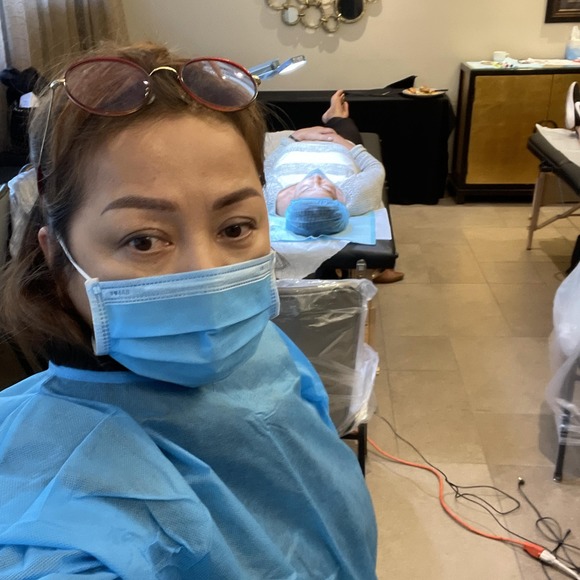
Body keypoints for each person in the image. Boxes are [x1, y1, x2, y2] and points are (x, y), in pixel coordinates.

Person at [0, 43, 377, 578]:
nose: (206, 272)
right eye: (144, 240)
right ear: (56, 255)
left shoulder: (263, 350)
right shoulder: (63, 518)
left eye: (235, 227)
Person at [264, 89, 404, 284]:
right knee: (346, 129)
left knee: (335, 129)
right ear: (339, 196)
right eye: (327, 188)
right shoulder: (352, 196)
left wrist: (294, 138)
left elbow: (267, 166)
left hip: (299, 144)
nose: (316, 178)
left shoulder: (275, 198)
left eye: (305, 188)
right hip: (337, 147)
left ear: (292, 196)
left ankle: (333, 117)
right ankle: (335, 117)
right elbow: (374, 168)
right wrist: (344, 143)